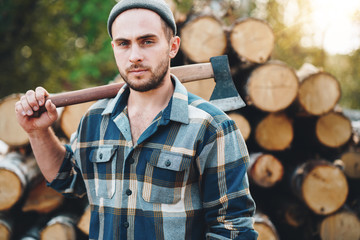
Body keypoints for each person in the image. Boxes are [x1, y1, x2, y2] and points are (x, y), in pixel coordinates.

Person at [15, 0, 258, 239]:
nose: (134, 56)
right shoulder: (95, 119)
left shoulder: (212, 127)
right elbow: (68, 180)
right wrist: (38, 132)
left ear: (173, 46)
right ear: (114, 48)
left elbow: (233, 229)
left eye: (147, 41)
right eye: (124, 43)